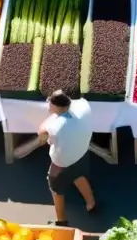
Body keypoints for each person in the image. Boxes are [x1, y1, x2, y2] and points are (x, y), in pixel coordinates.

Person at [38, 90, 97, 226]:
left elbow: (42, 134)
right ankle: (91, 203)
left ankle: (61, 220)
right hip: (81, 153)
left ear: (56, 106)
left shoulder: (56, 127)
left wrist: (52, 115)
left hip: (62, 162)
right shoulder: (84, 106)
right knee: (78, 175)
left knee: (56, 189)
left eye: (50, 102)